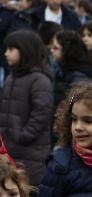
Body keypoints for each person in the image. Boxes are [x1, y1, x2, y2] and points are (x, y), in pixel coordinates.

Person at [0, 31, 53, 188]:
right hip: (10, 151)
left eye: (11, 49)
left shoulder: (39, 80)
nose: (6, 53)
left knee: (28, 193)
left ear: (25, 50)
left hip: (30, 153)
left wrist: (23, 135)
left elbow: (42, 113)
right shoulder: (11, 78)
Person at [49, 30, 92, 110]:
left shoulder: (79, 76)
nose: (51, 50)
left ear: (67, 50)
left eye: (55, 48)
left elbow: (73, 101)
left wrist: (64, 110)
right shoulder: (61, 70)